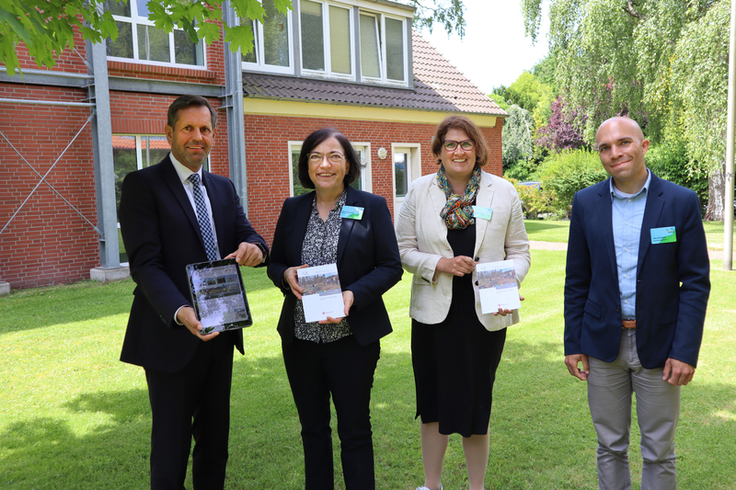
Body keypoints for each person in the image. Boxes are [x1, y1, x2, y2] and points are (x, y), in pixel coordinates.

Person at [119, 95, 268, 489]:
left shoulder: (221, 187)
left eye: (205, 130)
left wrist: (257, 248)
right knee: (171, 445)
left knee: (215, 441)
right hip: (172, 333)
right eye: (188, 128)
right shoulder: (142, 186)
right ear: (169, 133)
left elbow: (247, 233)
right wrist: (182, 311)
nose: (197, 137)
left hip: (220, 328)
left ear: (214, 137)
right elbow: (145, 265)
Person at [564, 116, 710, 490]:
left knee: (659, 450)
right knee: (610, 446)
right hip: (601, 345)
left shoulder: (680, 202)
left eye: (624, 143)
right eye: (605, 148)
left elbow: (695, 283)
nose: (615, 153)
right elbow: (577, 280)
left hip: (661, 346)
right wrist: (573, 343)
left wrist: (686, 350)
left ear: (643, 146)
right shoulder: (585, 203)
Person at [395, 115, 531, 490]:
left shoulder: (503, 192)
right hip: (433, 314)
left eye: (466, 143)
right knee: (433, 401)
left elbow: (519, 251)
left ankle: (476, 487)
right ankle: (432, 484)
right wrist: (438, 263)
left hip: (483, 316)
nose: (459, 151)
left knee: (475, 402)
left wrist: (508, 281)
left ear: (477, 150)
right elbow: (402, 250)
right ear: (438, 151)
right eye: (451, 144)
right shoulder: (419, 192)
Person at [267, 128, 403, 489]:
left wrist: (353, 295)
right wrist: (285, 274)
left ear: (347, 165)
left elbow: (391, 267)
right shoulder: (293, 208)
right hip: (302, 341)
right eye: (315, 156)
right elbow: (275, 261)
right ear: (306, 164)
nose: (324, 164)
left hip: (351, 340)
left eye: (334, 156)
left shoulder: (371, 206)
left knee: (355, 429)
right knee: (312, 429)